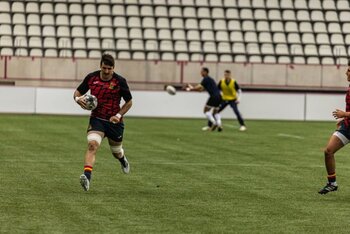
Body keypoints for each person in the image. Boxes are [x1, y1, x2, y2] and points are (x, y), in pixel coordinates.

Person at [73, 53, 133, 191]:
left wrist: (118, 115)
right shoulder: (91, 78)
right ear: (100, 66)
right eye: (104, 68)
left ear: (113, 68)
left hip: (114, 122)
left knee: (116, 151)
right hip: (97, 119)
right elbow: (77, 92)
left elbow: (129, 102)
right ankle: (87, 177)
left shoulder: (120, 81)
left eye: (109, 69)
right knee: (92, 145)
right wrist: (78, 100)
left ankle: (122, 159)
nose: (106, 71)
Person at [318, 62, 350, 194]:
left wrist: (345, 114)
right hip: (348, 127)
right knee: (328, 151)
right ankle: (332, 183)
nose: (346, 72)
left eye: (349, 70)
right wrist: (345, 118)